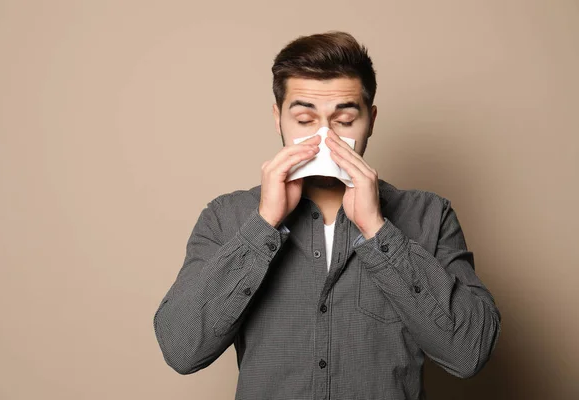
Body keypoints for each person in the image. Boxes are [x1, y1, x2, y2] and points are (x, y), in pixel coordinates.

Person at [153, 31, 501, 400]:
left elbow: (469, 353)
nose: (324, 138)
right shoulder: (226, 217)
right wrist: (263, 226)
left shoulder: (430, 215)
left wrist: (378, 231)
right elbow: (181, 350)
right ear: (278, 119)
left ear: (371, 119)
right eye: (304, 119)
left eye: (344, 121)